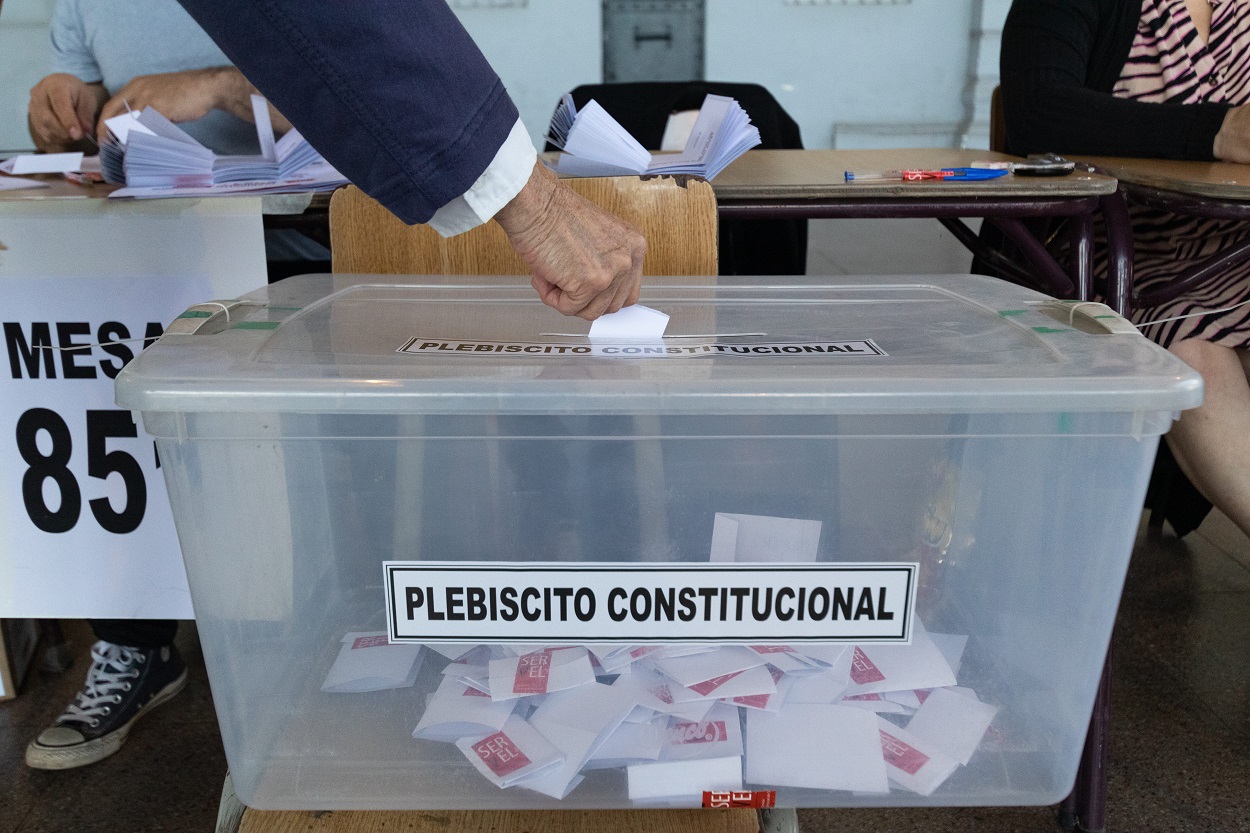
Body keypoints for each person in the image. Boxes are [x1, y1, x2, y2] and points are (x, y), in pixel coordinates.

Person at [1000, 0, 1250, 539]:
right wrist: (1218, 131)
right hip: (1124, 250)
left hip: (1240, 243)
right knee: (1191, 348)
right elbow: (1036, 108)